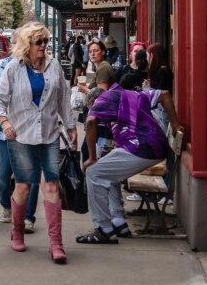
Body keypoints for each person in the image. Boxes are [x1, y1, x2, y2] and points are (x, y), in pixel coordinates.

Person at [0, 21, 76, 263]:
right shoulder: (13, 68)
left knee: (51, 185)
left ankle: (56, 244)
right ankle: (17, 231)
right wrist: (6, 123)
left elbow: (63, 99)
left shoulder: (54, 66)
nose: (43, 46)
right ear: (27, 44)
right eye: (38, 42)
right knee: (23, 186)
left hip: (49, 135)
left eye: (46, 42)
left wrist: (70, 126)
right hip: (21, 136)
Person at [77, 80, 182, 245]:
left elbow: (90, 122)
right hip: (157, 146)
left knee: (93, 172)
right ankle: (118, 222)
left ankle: (104, 230)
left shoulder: (101, 102)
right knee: (107, 171)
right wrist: (175, 125)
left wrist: (91, 158)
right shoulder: (131, 94)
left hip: (142, 147)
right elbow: (165, 94)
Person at [0, 49, 40, 233]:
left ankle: (28, 216)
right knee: (3, 175)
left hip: (31, 133)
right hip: (5, 133)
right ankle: (6, 205)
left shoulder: (40, 65)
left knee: (31, 178)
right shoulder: (0, 66)